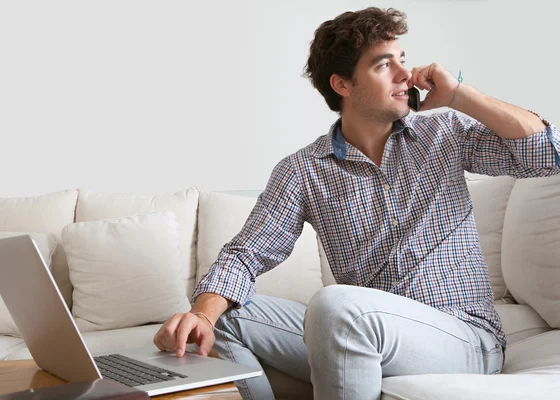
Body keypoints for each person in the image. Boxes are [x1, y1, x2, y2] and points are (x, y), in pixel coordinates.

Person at [153, 7, 560, 400]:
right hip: (362, 331)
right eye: (384, 65)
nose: (406, 74)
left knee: (336, 304)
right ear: (342, 84)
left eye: (403, 59)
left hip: (463, 338)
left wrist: (458, 95)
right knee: (226, 317)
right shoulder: (303, 170)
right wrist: (202, 315)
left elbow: (547, 155)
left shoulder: (445, 132)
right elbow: (245, 255)